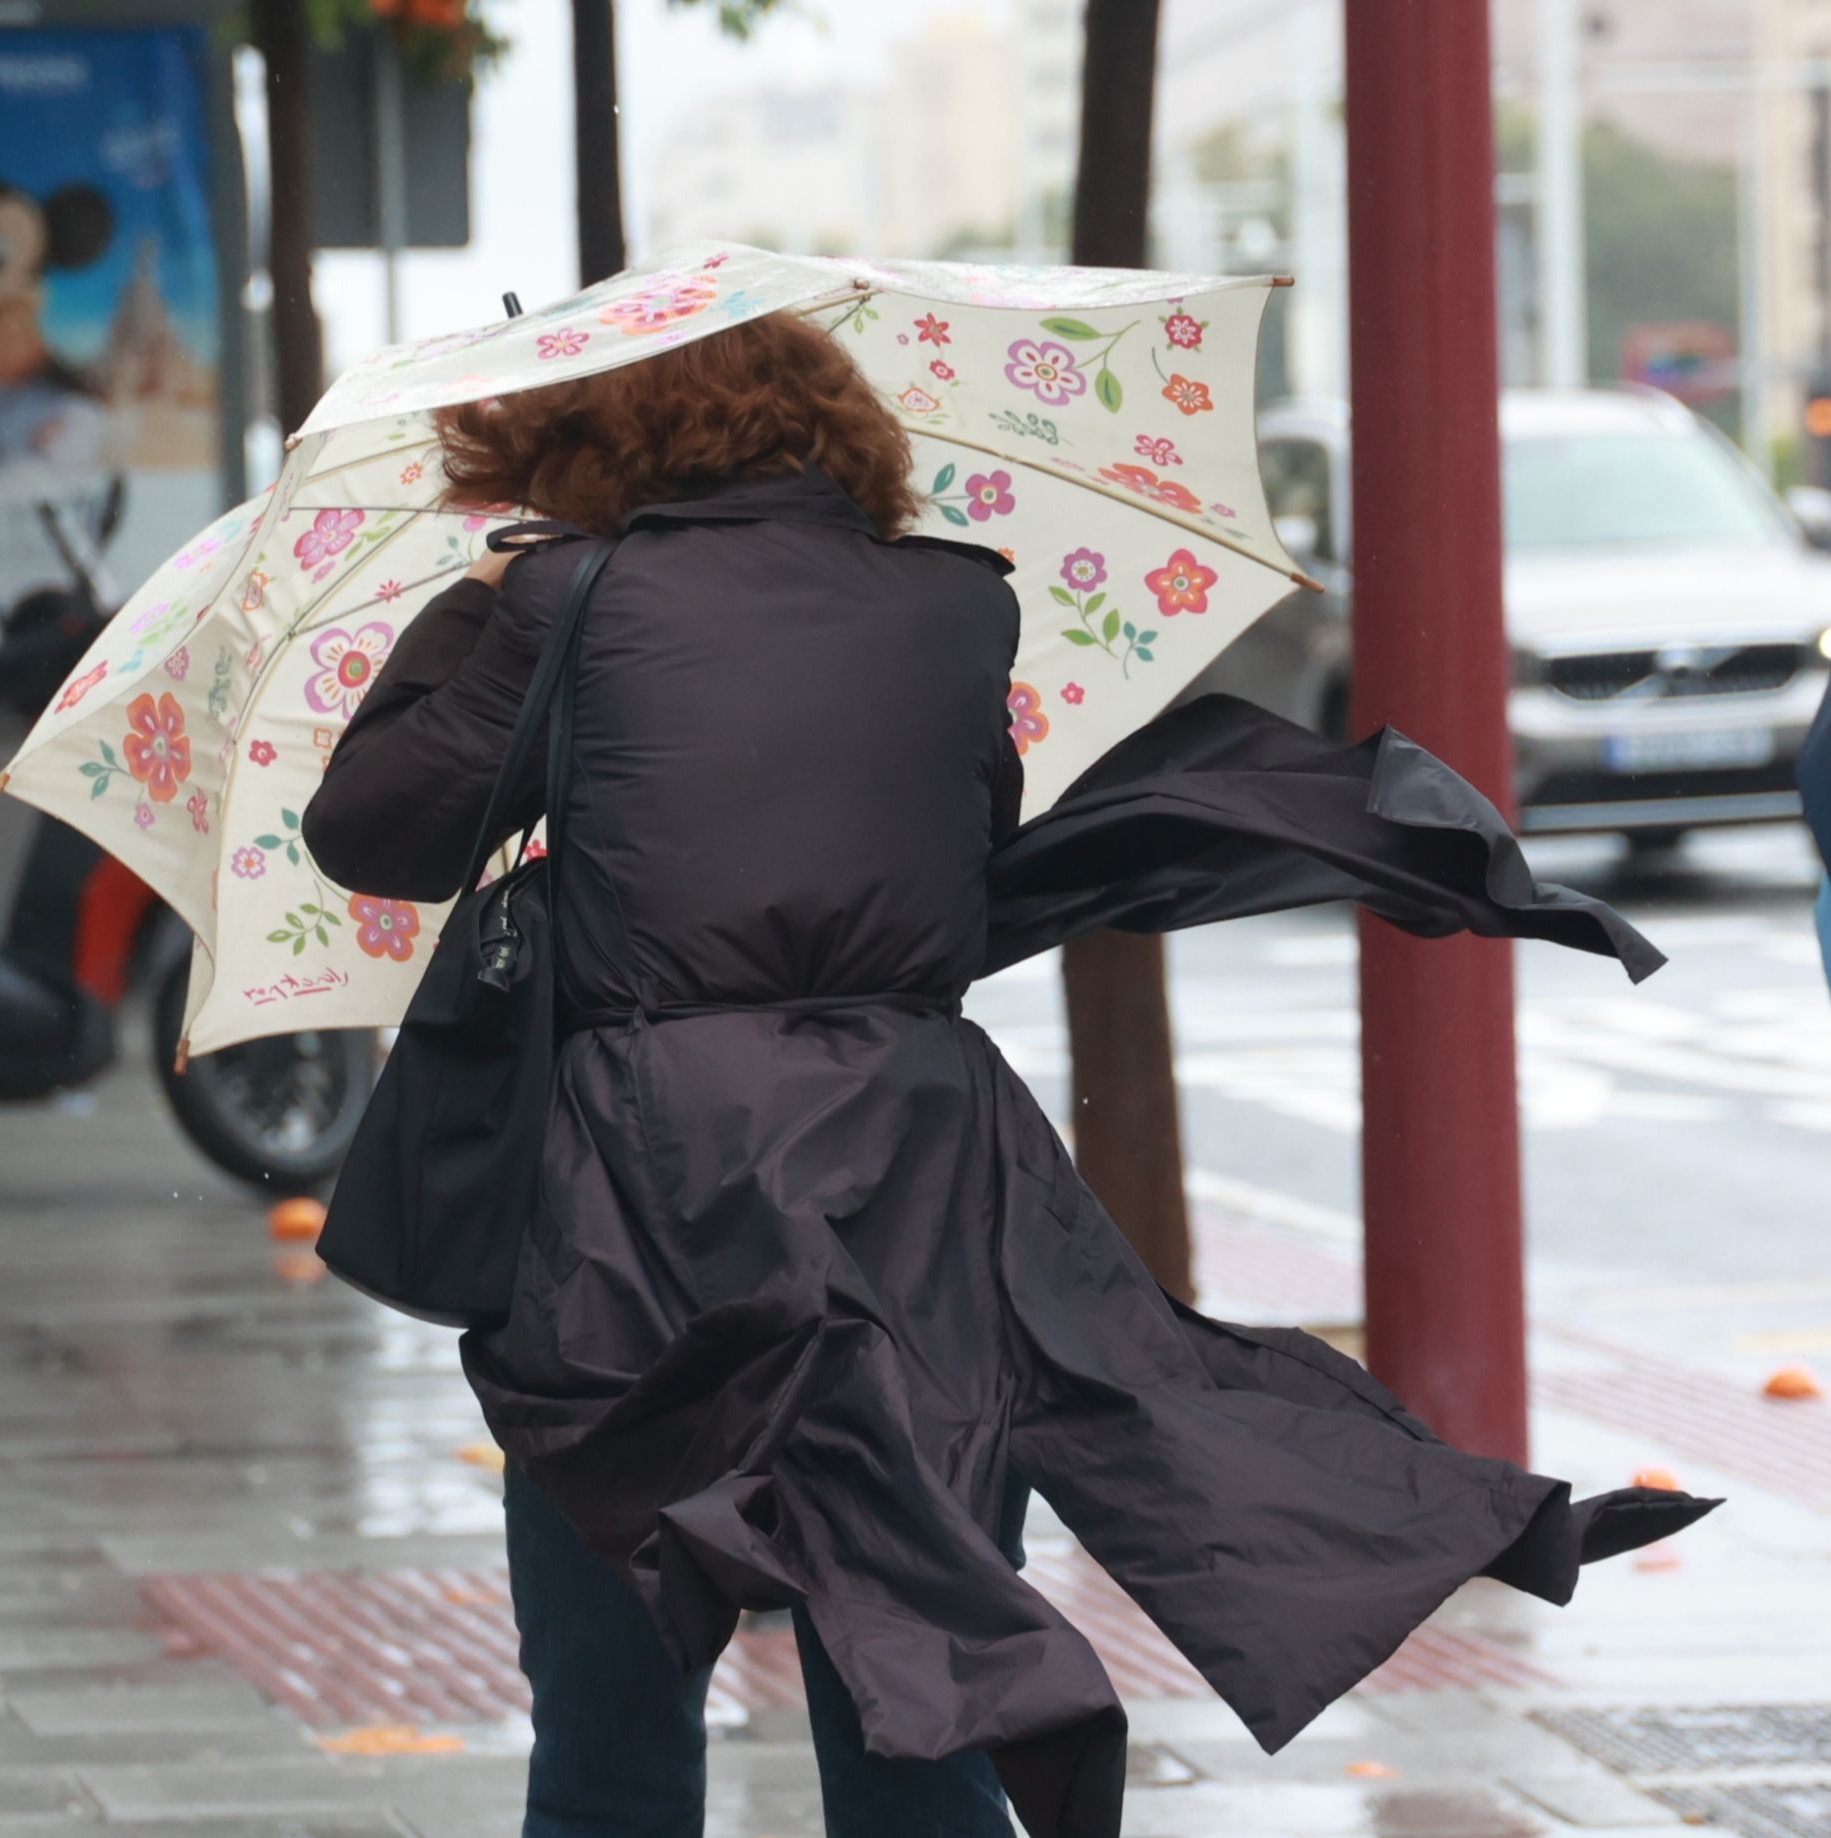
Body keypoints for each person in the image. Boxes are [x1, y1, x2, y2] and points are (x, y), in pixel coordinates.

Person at [301, 312, 1708, 1838]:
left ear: (598, 447)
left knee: (614, 1732)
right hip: (917, 1189)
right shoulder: (957, 604)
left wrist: (490, 600)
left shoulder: (567, 594)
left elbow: (373, 834)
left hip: (642, 1212)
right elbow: (955, 861)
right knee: (920, 1695)